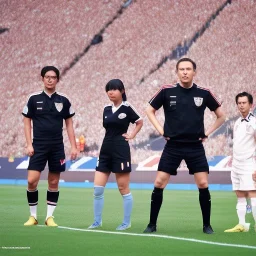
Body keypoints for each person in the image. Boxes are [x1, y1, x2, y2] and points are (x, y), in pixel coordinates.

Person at [143, 57, 226, 234]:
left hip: (195, 146)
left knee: (203, 184)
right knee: (158, 182)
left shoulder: (204, 93)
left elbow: (221, 116)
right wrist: (161, 130)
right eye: (182, 69)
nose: (185, 72)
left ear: (194, 72)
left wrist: (207, 133)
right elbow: (149, 110)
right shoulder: (166, 91)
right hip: (172, 146)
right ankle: (152, 224)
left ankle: (207, 225)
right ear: (177, 72)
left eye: (188, 69)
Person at [22, 66, 77, 227]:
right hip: (38, 146)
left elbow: (69, 125)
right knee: (32, 181)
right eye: (47, 77)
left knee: (53, 182)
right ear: (42, 78)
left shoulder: (64, 100)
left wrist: (73, 146)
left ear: (57, 80)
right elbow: (27, 122)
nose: (50, 79)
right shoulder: (33, 99)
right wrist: (29, 144)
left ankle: (49, 217)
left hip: (57, 147)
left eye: (53, 77)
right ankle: (33, 216)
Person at [88, 79, 143, 230]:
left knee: (123, 188)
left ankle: (126, 222)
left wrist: (131, 135)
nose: (110, 92)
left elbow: (139, 121)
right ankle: (97, 221)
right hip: (105, 149)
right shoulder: (106, 108)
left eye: (114, 89)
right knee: (98, 189)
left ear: (122, 91)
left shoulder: (127, 107)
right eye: (108, 90)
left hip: (120, 149)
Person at [224, 92, 256, 232]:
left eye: (244, 103)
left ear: (251, 105)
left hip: (249, 164)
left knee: (252, 194)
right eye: (239, 103)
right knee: (240, 194)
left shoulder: (254, 122)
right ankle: (242, 225)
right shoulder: (237, 122)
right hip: (236, 165)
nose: (241, 105)